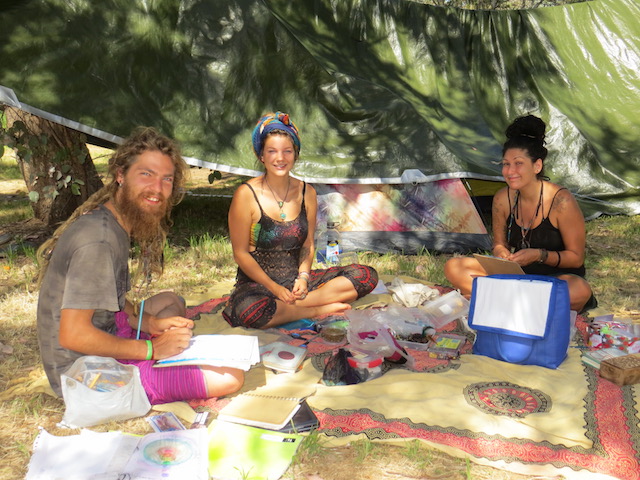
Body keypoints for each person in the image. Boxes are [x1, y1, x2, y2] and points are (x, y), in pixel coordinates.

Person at [36, 127, 244, 404]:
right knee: (231, 376)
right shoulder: (98, 241)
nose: (157, 189)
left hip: (106, 334)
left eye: (166, 179)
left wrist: (151, 323)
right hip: (86, 374)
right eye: (146, 174)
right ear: (120, 175)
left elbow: (115, 300)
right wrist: (151, 349)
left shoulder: (112, 222)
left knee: (171, 301)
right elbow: (73, 335)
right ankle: (159, 365)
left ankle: (160, 349)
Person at [222, 112, 378, 329]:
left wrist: (304, 277)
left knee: (365, 276)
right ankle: (317, 310)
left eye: (287, 151)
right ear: (261, 156)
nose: (280, 158)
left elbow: (308, 244)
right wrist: (275, 289)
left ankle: (287, 307)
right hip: (258, 285)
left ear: (295, 155)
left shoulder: (307, 192)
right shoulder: (246, 194)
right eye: (272, 151)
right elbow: (240, 253)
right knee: (251, 311)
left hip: (297, 284)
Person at [444, 115, 596, 313]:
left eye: (518, 163)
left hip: (556, 279)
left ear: (537, 166)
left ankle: (496, 302)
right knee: (454, 266)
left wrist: (539, 255)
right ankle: (526, 307)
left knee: (579, 291)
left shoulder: (561, 201)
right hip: (518, 277)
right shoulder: (503, 198)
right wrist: (501, 254)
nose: (510, 171)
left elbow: (576, 259)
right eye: (506, 164)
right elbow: (499, 244)